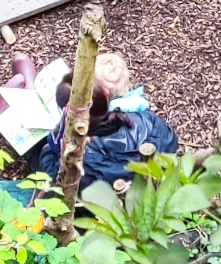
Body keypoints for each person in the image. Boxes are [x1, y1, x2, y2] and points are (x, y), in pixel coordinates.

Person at [35, 53, 179, 190]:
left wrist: (47, 151)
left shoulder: (82, 156)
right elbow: (170, 140)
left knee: (37, 148)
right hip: (144, 188)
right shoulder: (148, 120)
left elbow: (59, 180)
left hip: (95, 206)